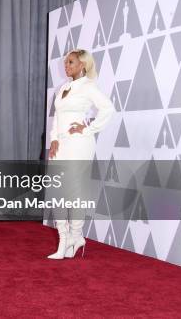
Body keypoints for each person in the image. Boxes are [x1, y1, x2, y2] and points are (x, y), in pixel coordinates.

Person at [47, 49, 114, 259]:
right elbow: (57, 116)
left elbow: (108, 109)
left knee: (75, 192)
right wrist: (54, 140)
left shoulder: (88, 86)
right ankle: (64, 239)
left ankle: (75, 237)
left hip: (79, 144)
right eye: (66, 62)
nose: (66, 66)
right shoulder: (63, 88)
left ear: (82, 65)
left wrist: (87, 129)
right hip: (61, 145)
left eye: (71, 62)